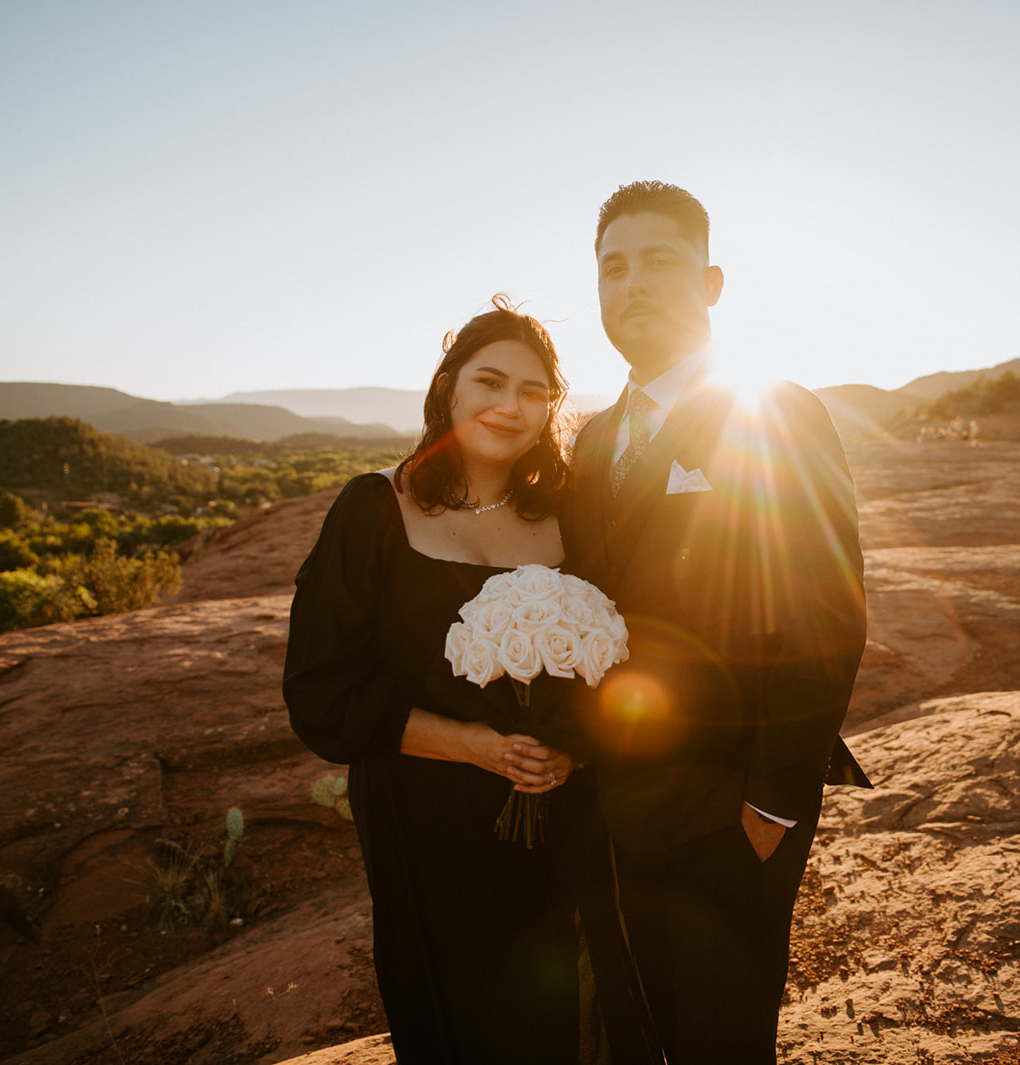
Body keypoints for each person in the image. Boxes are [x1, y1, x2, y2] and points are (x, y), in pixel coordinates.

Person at [564, 181, 868, 1063]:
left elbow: (825, 609)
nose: (633, 285)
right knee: (633, 1031)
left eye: (660, 262)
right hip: (613, 804)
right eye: (613, 268)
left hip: (728, 807)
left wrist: (769, 806)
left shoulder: (775, 412)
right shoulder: (590, 441)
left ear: (713, 282)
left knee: (721, 1040)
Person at [283, 296, 585, 1064]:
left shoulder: (569, 516)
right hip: (425, 816)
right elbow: (321, 692)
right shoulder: (375, 507)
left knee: (552, 1014)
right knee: (450, 1018)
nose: (510, 405)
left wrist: (572, 749)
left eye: (533, 390)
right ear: (449, 386)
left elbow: (608, 667)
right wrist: (473, 746)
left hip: (553, 813)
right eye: (489, 380)